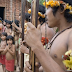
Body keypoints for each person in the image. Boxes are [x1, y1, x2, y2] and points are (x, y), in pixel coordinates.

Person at [21, 0, 72, 72]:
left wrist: (36, 46)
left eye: (48, 8)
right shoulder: (58, 34)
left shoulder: (70, 36)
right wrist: (37, 69)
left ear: (61, 8)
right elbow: (52, 64)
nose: (45, 14)